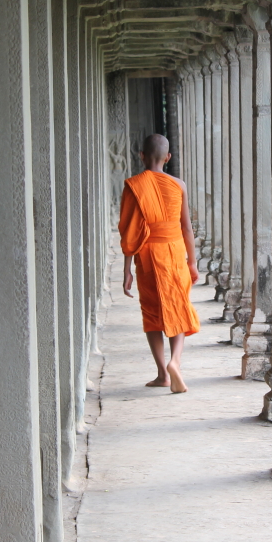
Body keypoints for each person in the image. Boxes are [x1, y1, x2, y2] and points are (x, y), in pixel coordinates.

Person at [118, 133, 200, 393]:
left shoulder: (133, 186)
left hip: (147, 255)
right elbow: (186, 228)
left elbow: (130, 232)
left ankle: (163, 374)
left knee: (152, 312)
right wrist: (192, 262)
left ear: (141, 155)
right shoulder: (179, 185)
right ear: (168, 157)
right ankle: (176, 361)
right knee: (178, 306)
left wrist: (126, 270)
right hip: (175, 253)